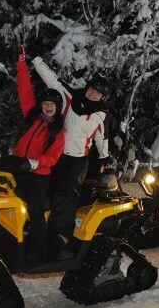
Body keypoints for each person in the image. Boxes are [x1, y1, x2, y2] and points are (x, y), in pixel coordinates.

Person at [31, 55, 111, 258]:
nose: (92, 94)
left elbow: (102, 137)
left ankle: (61, 239)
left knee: (67, 196)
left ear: (103, 97)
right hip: (56, 154)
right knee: (46, 190)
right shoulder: (69, 97)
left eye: (98, 93)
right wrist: (37, 62)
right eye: (91, 89)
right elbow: (52, 80)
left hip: (77, 160)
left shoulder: (102, 115)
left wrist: (104, 157)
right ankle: (37, 233)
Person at [13, 46, 66, 263]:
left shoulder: (58, 131)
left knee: (35, 212)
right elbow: (24, 88)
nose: (48, 107)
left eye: (52, 104)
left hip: (38, 175)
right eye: (45, 103)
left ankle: (38, 252)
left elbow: (52, 159)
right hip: (17, 166)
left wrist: (34, 163)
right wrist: (20, 62)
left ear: (57, 107)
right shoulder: (32, 116)